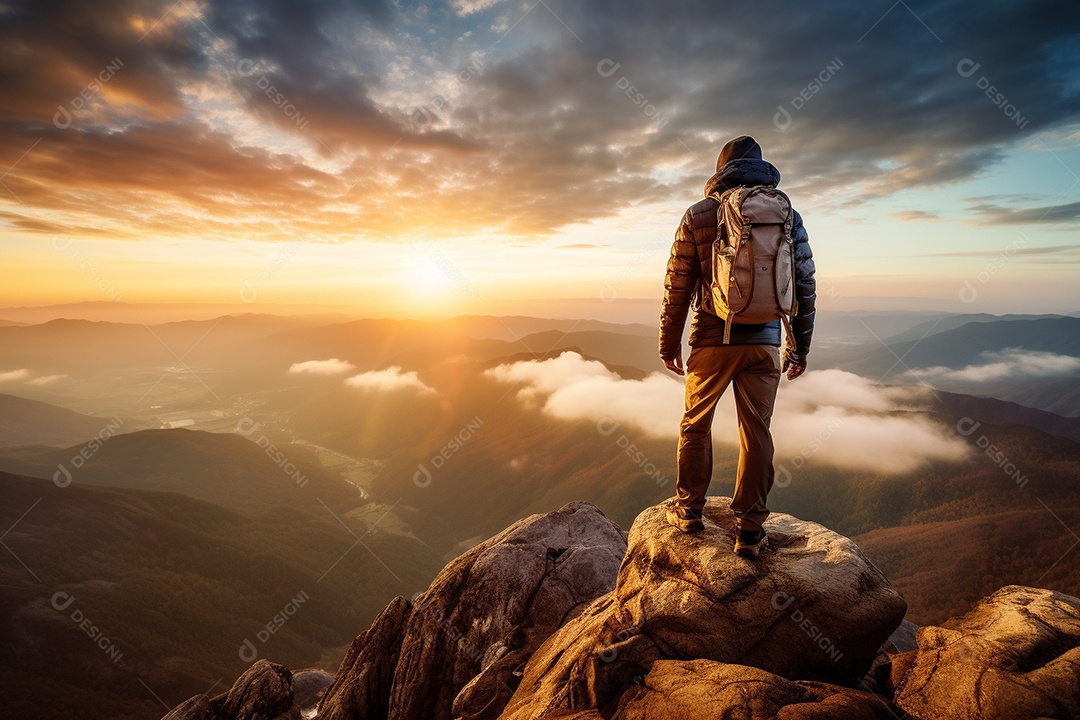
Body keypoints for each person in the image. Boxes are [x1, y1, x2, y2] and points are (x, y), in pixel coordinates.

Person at [659, 135, 816, 557]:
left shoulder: (699, 215)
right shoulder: (787, 214)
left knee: (696, 423)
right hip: (765, 342)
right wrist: (799, 347)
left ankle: (689, 510)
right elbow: (803, 284)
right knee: (756, 431)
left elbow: (678, 285)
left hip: (712, 339)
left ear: (720, 170)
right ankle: (749, 529)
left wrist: (668, 343)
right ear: (762, 169)